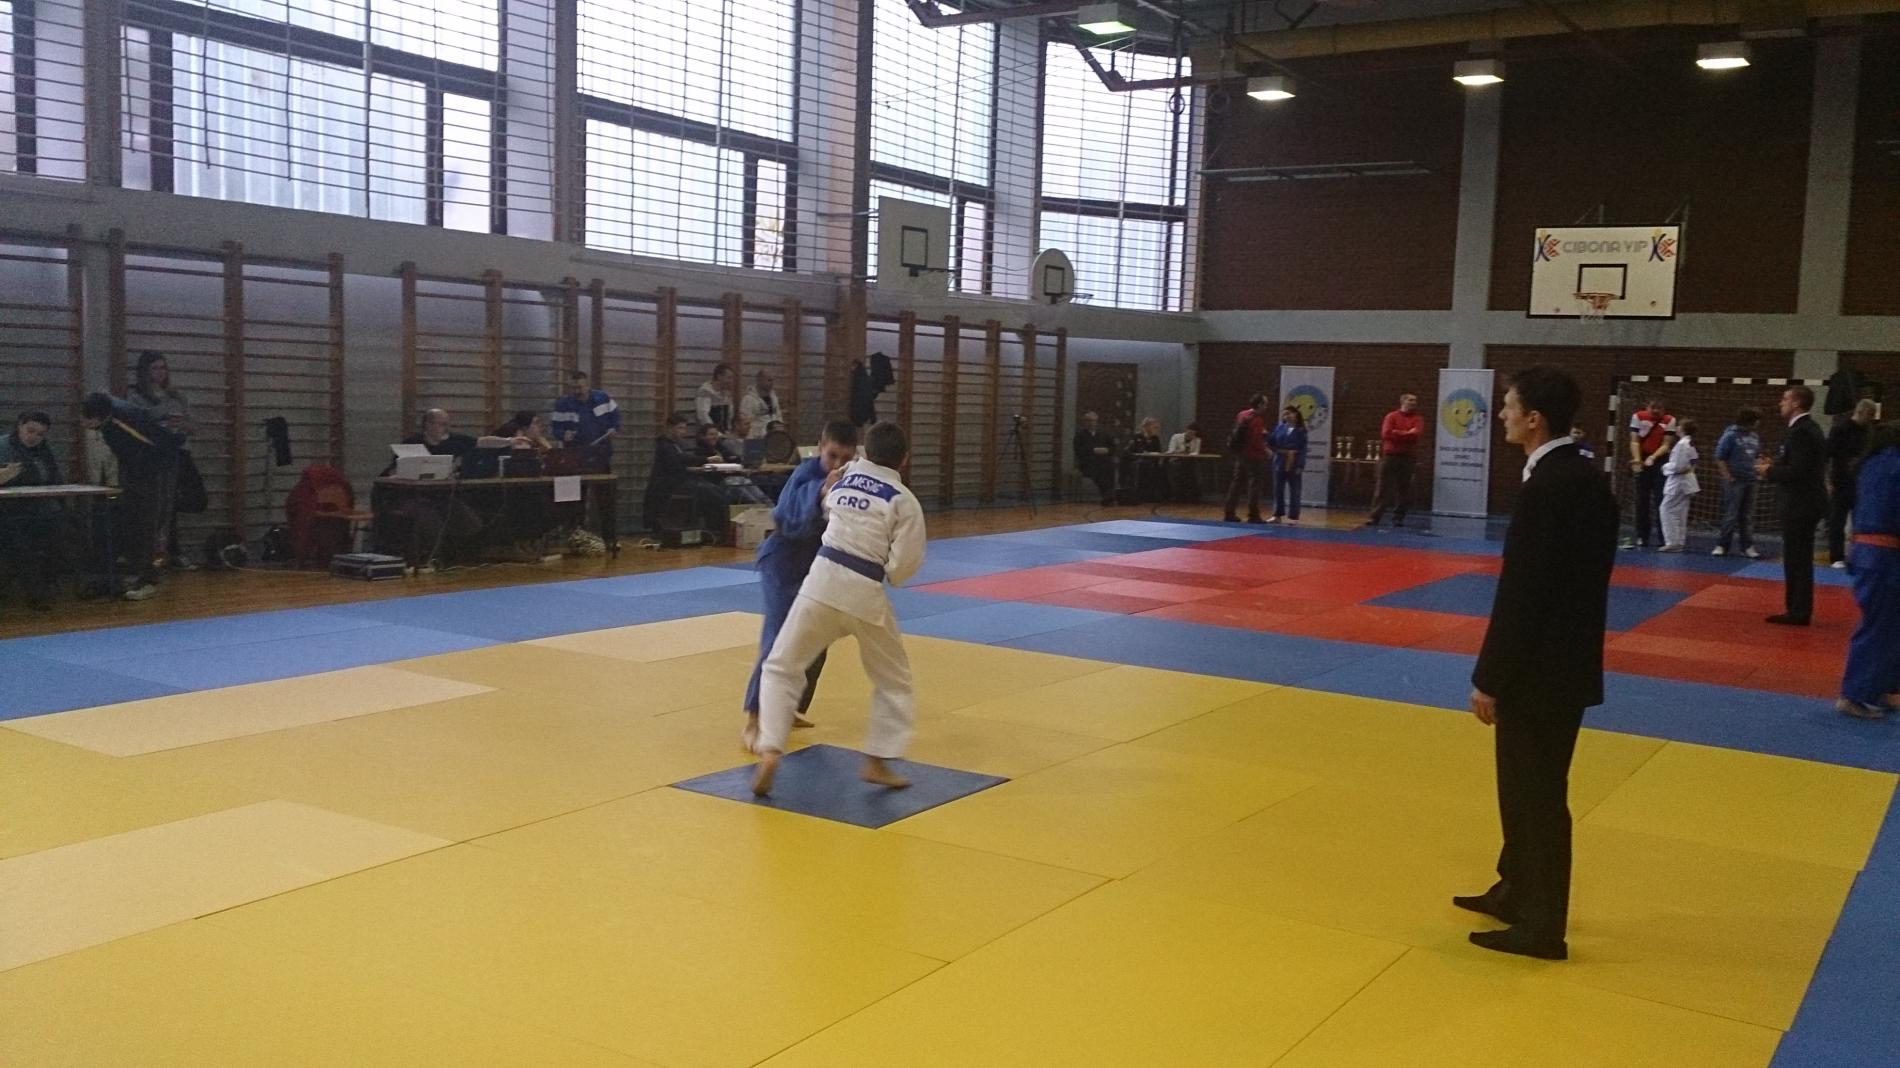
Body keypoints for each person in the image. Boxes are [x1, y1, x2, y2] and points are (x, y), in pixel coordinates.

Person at [1458, 365, 1618, 961]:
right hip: (1563, 662)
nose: (1501, 414)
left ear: (1534, 420)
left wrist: (1490, 677)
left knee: (1538, 795)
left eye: (1509, 405)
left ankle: (1542, 924)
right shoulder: (1582, 477)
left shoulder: (1549, 488)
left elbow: (1524, 594)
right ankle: (1515, 888)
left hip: (1540, 669)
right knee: (1521, 787)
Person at [751, 421, 926, 796]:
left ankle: (770, 749)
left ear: (864, 451)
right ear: (905, 460)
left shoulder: (843, 479)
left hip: (820, 581)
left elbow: (827, 509)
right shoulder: (904, 500)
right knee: (893, 679)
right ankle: (877, 760)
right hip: (864, 591)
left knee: (782, 665)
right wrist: (888, 565)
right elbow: (902, 567)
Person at [740, 421, 861, 752]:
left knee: (816, 639)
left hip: (817, 568)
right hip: (783, 563)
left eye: (845, 458)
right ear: (820, 446)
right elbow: (783, 515)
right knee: (778, 638)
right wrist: (821, 491)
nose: (837, 464)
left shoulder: (851, 480)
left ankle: (787, 706)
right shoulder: (806, 475)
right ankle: (754, 717)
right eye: (832, 455)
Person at [80, 392, 182, 601]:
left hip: (155, 471)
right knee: (131, 522)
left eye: (86, 419)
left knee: (147, 525)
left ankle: (148, 580)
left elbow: (161, 444)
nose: (82, 423)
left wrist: (143, 476)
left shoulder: (123, 421)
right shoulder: (110, 421)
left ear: (97, 416)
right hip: (137, 471)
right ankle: (134, 574)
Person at [1836, 421, 1900, 719]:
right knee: (1878, 625)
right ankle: (1853, 695)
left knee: (1890, 625)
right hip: (1883, 556)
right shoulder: (1893, 467)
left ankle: (1880, 688)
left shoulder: (1873, 464)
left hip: (1870, 553)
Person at [1757, 386, 1829, 626]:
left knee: (1797, 558)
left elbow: (1799, 471)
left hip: (1801, 504)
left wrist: (1770, 471)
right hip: (1804, 502)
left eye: (1785, 399)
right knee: (1798, 557)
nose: (1781, 403)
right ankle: (1797, 609)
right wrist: (1774, 466)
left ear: (1797, 403)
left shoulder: (1802, 432)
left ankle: (1798, 611)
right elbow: (1798, 465)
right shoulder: (1807, 429)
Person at [124, 351, 198, 570]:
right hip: (153, 457)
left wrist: (182, 424)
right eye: (155, 368)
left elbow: (192, 425)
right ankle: (150, 556)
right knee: (155, 507)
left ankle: (165, 551)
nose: (160, 372)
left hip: (178, 453)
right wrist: (162, 416)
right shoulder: (136, 397)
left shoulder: (176, 397)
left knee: (173, 504)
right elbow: (137, 423)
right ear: (145, 371)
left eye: (163, 368)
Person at [0, 411, 71, 609]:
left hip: (41, 512)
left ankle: (47, 584)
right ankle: (37, 593)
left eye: (40, 434)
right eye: (30, 431)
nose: (34, 437)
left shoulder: (44, 449)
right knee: (22, 544)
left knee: (63, 534)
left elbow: (54, 478)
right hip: (9, 513)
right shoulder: (3, 447)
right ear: (19, 426)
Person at [643, 414, 729, 537]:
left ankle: (717, 529)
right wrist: (706, 459)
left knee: (717, 491)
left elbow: (681, 463)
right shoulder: (664, 445)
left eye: (684, 428)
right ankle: (716, 529)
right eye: (680, 428)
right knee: (710, 493)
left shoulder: (676, 445)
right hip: (669, 484)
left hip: (680, 480)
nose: (683, 432)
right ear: (669, 428)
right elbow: (679, 460)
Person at [1826, 399, 1878, 569]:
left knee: (1860, 520)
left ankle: (1856, 554)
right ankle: (1836, 556)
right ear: (1860, 412)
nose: (1871, 418)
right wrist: (1828, 481)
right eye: (1870, 415)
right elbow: (1828, 455)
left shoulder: (1868, 431)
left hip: (1861, 482)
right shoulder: (1840, 429)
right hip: (1840, 481)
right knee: (1837, 521)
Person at [1623, 397, 1678, 549]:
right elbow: (1634, 441)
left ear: (1663, 409)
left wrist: (1653, 457)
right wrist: (1637, 460)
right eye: (1653, 407)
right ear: (1647, 406)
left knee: (1661, 499)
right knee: (1642, 499)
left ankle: (1663, 537)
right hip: (1642, 458)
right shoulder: (1638, 417)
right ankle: (1642, 536)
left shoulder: (1669, 420)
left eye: (1659, 408)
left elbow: (1666, 444)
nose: (1655, 411)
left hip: (1660, 460)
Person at [1366, 391, 1424, 529]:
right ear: (1403, 402)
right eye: (1411, 400)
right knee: (1382, 488)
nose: (1414, 403)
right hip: (1390, 457)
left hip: (1408, 458)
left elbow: (1416, 435)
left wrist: (1397, 433)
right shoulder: (1391, 416)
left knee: (1404, 489)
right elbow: (1386, 434)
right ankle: (1375, 517)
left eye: (1415, 400)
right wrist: (1407, 433)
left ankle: (1398, 518)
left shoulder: (1418, 418)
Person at [1712, 407, 1763, 559]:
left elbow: (1757, 455)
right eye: (1757, 420)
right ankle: (1722, 545)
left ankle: (1747, 546)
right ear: (1750, 421)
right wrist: (1728, 477)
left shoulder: (1754, 436)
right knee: (1731, 514)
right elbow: (1720, 457)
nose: (1758, 423)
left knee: (1747, 515)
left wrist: (1759, 470)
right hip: (1735, 480)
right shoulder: (1730, 435)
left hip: (1751, 479)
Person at [1224, 393, 1272, 524]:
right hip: (1254, 457)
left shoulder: (1242, 414)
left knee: (1236, 484)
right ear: (1260, 405)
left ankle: (1229, 512)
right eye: (1265, 404)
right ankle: (1253, 514)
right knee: (1255, 486)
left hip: (1240, 455)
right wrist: (1266, 450)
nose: (1266, 407)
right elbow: (1256, 441)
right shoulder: (1257, 420)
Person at [551, 370, 621, 453]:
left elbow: (615, 417)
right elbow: (556, 429)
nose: (577, 391)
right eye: (573, 388)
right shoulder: (562, 404)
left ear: (588, 386)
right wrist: (563, 434)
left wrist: (613, 428)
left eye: (580, 387)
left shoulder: (603, 398)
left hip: (602, 449)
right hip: (575, 451)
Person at [1658, 418, 1700, 552]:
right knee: (1681, 512)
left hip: (1679, 482)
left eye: (1679, 426)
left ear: (1682, 429)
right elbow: (1691, 462)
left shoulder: (1682, 444)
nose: (1676, 428)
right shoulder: (1689, 443)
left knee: (1666, 509)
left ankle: (1672, 542)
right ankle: (1679, 541)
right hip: (1686, 481)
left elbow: (1678, 466)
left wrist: (1665, 467)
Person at [1267, 406, 1307, 525]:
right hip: (1280, 460)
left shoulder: (1301, 430)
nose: (1287, 416)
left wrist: (1300, 465)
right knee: (1278, 489)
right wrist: (1265, 435)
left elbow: (1303, 449)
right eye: (1285, 414)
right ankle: (1277, 515)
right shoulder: (1280, 427)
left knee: (1295, 489)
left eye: (1289, 413)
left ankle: (1293, 516)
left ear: (1295, 415)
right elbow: (1272, 440)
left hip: (1294, 461)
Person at [1072, 411, 1117, 507]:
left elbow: (1113, 447)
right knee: (1099, 469)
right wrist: (1093, 450)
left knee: (1110, 468)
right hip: (1087, 463)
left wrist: (1107, 450)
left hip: (1103, 461)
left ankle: (1109, 494)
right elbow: (1078, 451)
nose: (1092, 423)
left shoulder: (1103, 434)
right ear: (1085, 422)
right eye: (1089, 421)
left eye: (1094, 421)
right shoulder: (1080, 435)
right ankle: (1107, 495)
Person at [1120, 417, 1165, 503]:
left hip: (1152, 462)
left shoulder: (1155, 438)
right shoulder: (1137, 437)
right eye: (1154, 427)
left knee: (1162, 469)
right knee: (1141, 467)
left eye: (1157, 427)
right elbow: (1132, 450)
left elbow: (1158, 451)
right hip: (1137, 461)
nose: (1156, 429)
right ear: (1147, 427)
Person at [740, 370, 787, 442]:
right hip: (757, 438)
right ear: (759, 381)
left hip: (773, 437)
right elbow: (745, 422)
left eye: (772, 380)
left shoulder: (773, 397)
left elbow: (778, 415)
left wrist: (781, 430)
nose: (772, 383)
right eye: (769, 380)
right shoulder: (748, 399)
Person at [696, 364, 737, 434]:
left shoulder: (727, 392)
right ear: (719, 376)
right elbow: (703, 415)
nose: (731, 381)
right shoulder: (705, 391)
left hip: (725, 433)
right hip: (709, 434)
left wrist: (729, 431)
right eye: (729, 378)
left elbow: (729, 415)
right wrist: (716, 433)